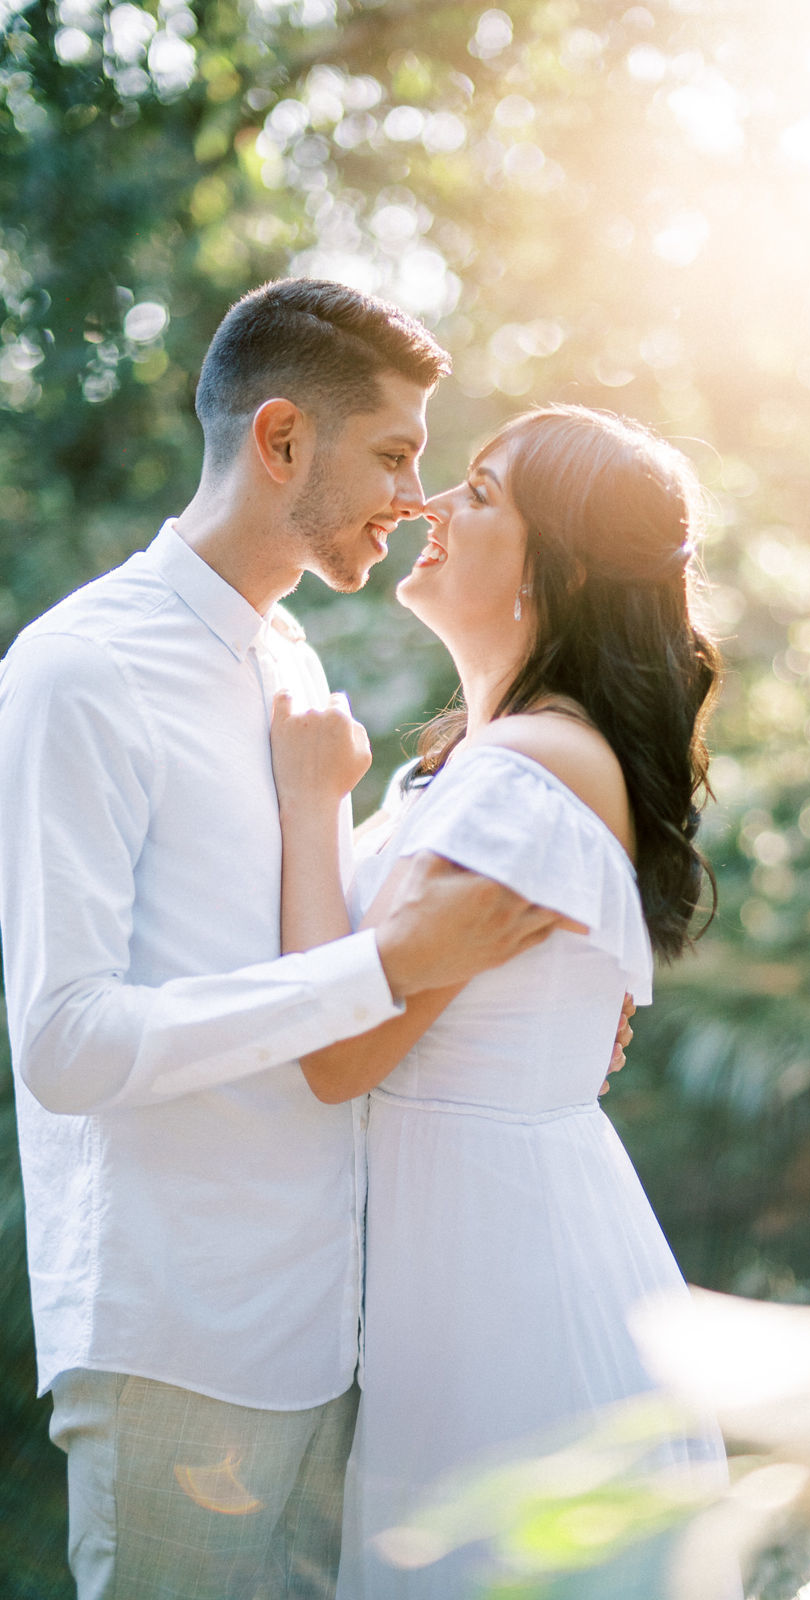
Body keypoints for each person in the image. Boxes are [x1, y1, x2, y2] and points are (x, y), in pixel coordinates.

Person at [0, 279, 581, 1600]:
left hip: (334, 1334)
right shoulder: (79, 668)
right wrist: (381, 972)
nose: (415, 498)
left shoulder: (292, 661)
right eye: (391, 455)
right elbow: (64, 1043)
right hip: (183, 1340)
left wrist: (533, 987)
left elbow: (341, 911)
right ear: (279, 442)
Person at [268, 404, 738, 1598]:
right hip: (475, 1251)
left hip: (503, 1283)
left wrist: (312, 800)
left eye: (478, 492)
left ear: (559, 565)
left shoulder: (526, 766)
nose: (428, 505)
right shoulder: (496, 759)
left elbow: (335, 1055)